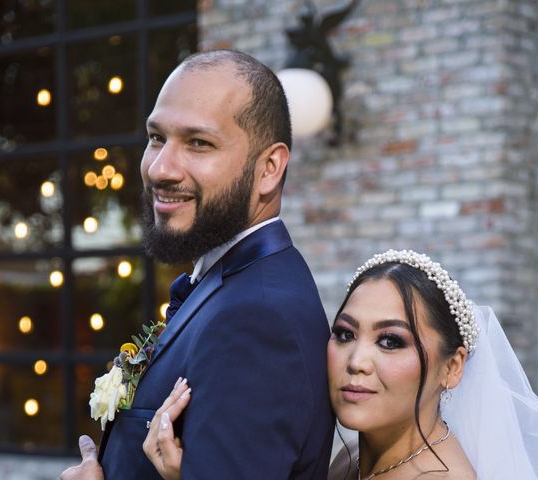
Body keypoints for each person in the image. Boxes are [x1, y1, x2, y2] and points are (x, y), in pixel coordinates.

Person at [61, 49, 334, 479]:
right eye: (156, 137)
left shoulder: (257, 318)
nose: (161, 168)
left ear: (269, 168)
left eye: (198, 143)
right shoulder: (228, 286)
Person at [144, 249, 538, 479]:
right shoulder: (354, 458)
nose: (357, 361)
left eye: (390, 341)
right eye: (344, 334)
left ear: (453, 367)